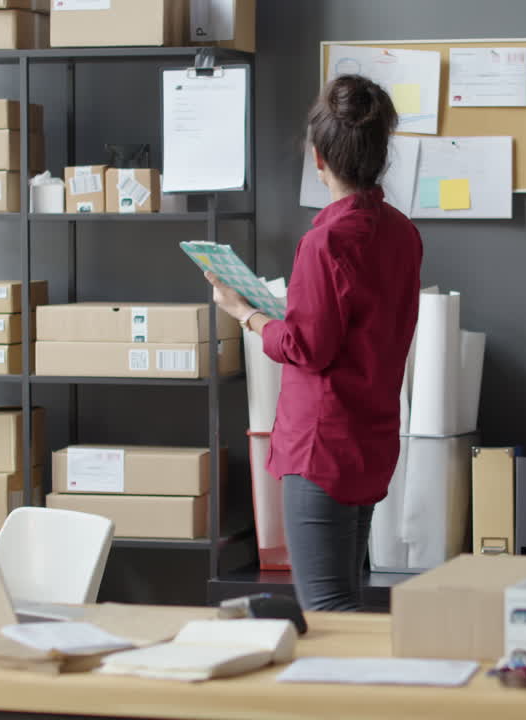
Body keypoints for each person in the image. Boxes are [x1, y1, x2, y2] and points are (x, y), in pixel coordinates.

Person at [205, 75, 422, 611]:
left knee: (326, 610)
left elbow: (307, 348)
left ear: (319, 157)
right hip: (371, 438)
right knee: (346, 603)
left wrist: (246, 313)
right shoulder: (401, 233)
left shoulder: (325, 241)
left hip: (322, 446)